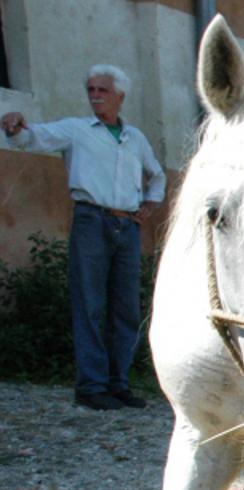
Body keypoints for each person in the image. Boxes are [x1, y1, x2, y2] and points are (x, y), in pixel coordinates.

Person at [2, 65, 166, 410]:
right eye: (91, 89)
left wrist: (149, 204)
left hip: (127, 227)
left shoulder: (135, 138)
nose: (94, 95)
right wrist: (15, 126)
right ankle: (92, 385)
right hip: (92, 221)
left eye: (102, 90)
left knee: (126, 308)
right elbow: (35, 136)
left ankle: (118, 383)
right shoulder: (76, 130)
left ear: (120, 96)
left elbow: (157, 175)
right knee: (90, 303)